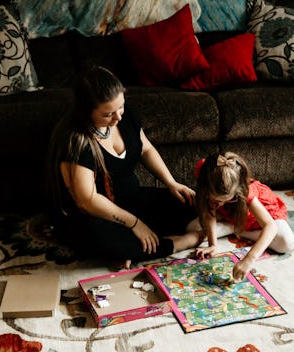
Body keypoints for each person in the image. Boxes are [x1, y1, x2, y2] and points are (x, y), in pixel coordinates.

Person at [46, 66, 201, 267]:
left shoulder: (123, 117)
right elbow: (87, 201)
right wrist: (135, 224)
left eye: (121, 106)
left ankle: (135, 249)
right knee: (105, 240)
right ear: (86, 112)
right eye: (107, 114)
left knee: (193, 202)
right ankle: (179, 243)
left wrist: (171, 182)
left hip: (132, 199)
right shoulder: (76, 142)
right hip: (95, 215)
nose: (118, 117)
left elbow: (146, 149)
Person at [188, 152, 294, 281]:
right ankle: (235, 228)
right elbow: (209, 210)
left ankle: (237, 229)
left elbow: (270, 226)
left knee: (287, 243)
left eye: (223, 200)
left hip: (260, 217)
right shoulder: (207, 176)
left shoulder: (247, 191)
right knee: (192, 228)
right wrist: (213, 245)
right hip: (232, 217)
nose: (218, 204)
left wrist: (249, 259)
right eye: (215, 201)